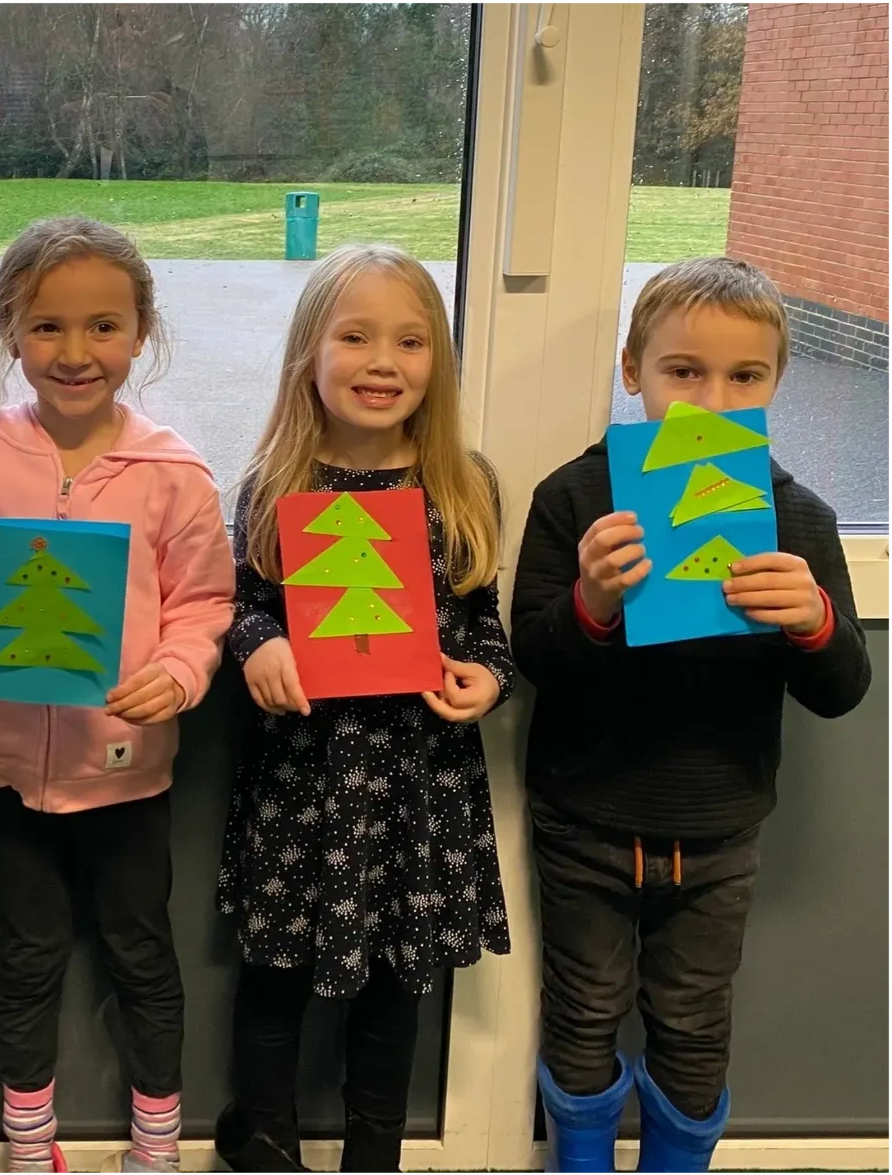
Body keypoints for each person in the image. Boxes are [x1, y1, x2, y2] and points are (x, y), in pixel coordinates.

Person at [511, 256, 873, 1175]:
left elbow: (842, 688)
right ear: (631, 370)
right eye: (682, 372)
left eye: (743, 376)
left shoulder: (795, 518)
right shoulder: (575, 499)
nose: (711, 400)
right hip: (584, 821)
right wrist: (590, 602)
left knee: (692, 1018)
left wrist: (814, 621)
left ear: (775, 382)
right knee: (583, 1010)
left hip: (718, 830)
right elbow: (533, 659)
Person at [0, 216, 234, 1175]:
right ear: (11, 330)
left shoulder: (174, 474)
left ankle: (156, 1143)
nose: (75, 351)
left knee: (144, 957)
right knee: (26, 959)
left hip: (128, 769)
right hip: (5, 766)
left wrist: (180, 674)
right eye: (48, 326)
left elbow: (203, 604)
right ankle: (28, 1144)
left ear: (141, 332)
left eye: (103, 325)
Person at [215, 243, 513, 1175]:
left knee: (396, 990)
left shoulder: (463, 486)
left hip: (416, 792)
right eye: (355, 336)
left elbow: (484, 621)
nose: (383, 361)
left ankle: (373, 1153)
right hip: (304, 784)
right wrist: (257, 644)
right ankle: (261, 1139)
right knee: (273, 981)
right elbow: (241, 606)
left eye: (410, 341)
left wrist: (486, 678)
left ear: (438, 364)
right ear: (310, 352)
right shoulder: (275, 485)